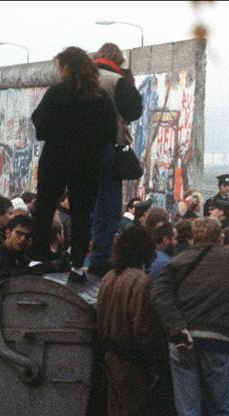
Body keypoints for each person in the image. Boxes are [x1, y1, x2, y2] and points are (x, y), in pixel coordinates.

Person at [150, 217, 229, 416]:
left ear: (192, 238)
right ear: (219, 237)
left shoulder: (177, 262)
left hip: (183, 341)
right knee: (222, 412)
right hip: (218, 340)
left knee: (189, 413)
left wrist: (177, 326)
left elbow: (158, 295)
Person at [30, 46, 118, 282]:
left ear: (66, 67)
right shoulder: (101, 97)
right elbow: (111, 133)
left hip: (56, 159)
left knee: (45, 208)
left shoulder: (56, 94)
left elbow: (39, 123)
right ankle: (78, 266)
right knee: (82, 215)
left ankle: (38, 258)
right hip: (88, 163)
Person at [96, 223, 177, 416]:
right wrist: (156, 358)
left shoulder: (109, 277)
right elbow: (143, 328)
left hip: (109, 354)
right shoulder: (141, 281)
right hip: (132, 360)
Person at [90, 42, 145, 279]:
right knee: (109, 208)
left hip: (78, 151)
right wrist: (127, 80)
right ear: (118, 60)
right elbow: (134, 111)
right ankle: (99, 259)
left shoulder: (82, 79)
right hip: (109, 149)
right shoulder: (116, 80)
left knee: (86, 207)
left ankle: (77, 259)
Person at [0, 214, 34, 287]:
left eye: (27, 236)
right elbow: (13, 281)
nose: (23, 239)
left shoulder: (20, 253)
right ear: (8, 233)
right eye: (19, 233)